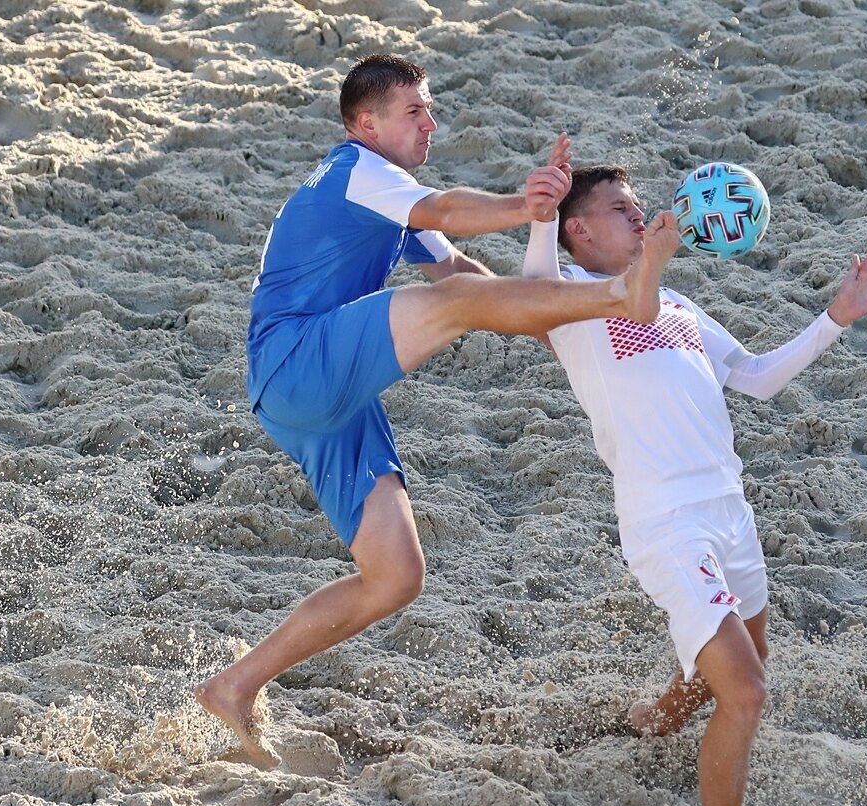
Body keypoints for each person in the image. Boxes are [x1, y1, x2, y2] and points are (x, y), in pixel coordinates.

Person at [194, 56, 679, 769]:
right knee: (454, 312)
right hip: (298, 361)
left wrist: (554, 327)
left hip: (320, 399)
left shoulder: (391, 199)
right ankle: (625, 294)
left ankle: (234, 686)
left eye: (430, 108)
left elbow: (459, 271)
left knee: (395, 576)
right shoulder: (355, 170)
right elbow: (450, 212)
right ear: (366, 125)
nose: (431, 123)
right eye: (414, 111)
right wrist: (529, 209)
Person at [521, 164, 867, 806]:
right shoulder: (569, 299)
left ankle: (654, 722)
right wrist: (542, 213)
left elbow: (756, 377)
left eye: (641, 209)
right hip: (667, 522)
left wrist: (836, 318)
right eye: (621, 210)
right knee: (746, 691)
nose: (641, 219)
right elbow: (537, 274)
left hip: (732, 512)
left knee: (734, 669)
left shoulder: (679, 303)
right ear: (579, 230)